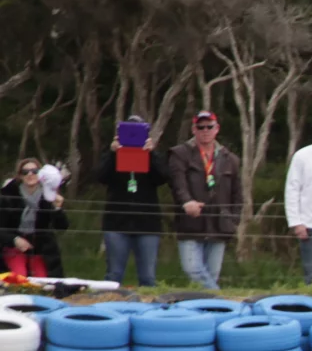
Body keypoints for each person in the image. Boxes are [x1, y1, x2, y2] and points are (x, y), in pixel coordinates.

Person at [171, 109, 246, 289]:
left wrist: (233, 219)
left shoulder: (230, 159)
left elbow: (238, 194)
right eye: (201, 127)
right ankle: (221, 299)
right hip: (190, 223)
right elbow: (177, 184)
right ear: (194, 129)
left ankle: (210, 308)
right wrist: (186, 202)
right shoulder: (180, 154)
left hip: (219, 225)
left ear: (216, 129)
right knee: (194, 270)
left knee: (211, 274)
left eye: (209, 126)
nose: (205, 130)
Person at [97, 117, 167, 287]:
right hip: (117, 223)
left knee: (148, 277)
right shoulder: (113, 156)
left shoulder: (151, 156)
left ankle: (151, 310)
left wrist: (151, 154)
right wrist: (113, 153)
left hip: (147, 224)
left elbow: (163, 177)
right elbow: (100, 176)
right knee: (114, 274)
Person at [0, 159, 67, 278]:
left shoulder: (49, 196)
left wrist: (58, 209)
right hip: (13, 246)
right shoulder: (7, 196)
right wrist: (15, 239)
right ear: (20, 176)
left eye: (34, 171)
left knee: (42, 281)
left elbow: (62, 226)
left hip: (41, 248)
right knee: (19, 279)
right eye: (25, 172)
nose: (30, 174)